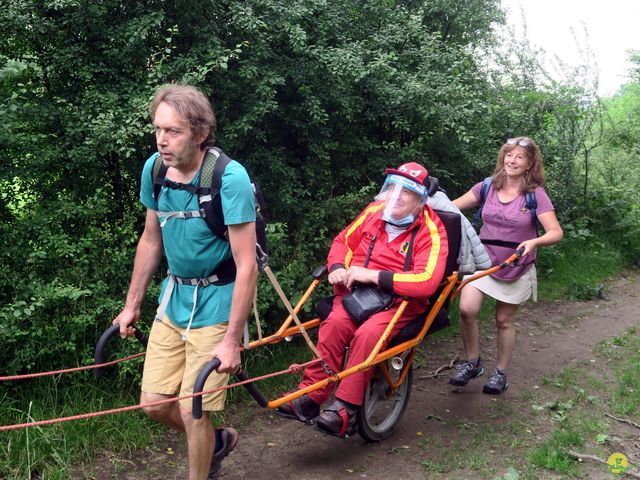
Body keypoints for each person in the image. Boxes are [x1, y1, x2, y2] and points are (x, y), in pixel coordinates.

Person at [112, 84, 258, 479]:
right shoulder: (154, 170)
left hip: (217, 303)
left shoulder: (229, 179)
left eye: (173, 131)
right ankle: (218, 441)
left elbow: (247, 265)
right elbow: (150, 238)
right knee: (154, 402)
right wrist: (132, 305)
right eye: (158, 129)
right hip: (174, 300)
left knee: (193, 408)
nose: (162, 140)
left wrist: (231, 340)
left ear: (200, 132)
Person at [277, 162, 449, 437]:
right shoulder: (374, 212)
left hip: (399, 302)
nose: (396, 196)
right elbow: (343, 242)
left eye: (407, 191)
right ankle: (310, 397)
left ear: (420, 200)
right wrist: (337, 268)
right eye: (393, 187)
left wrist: (372, 276)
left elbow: (426, 282)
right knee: (333, 325)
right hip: (356, 295)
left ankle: (345, 410)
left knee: (367, 335)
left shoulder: (432, 231)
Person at [449, 137, 563, 394]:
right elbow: (451, 208)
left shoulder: (536, 196)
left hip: (516, 265)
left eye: (519, 157)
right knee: (467, 310)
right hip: (482, 260)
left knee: (503, 320)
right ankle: (472, 362)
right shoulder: (487, 187)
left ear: (530, 164)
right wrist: (422, 205)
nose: (512, 161)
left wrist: (534, 242)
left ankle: (500, 373)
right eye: (509, 155)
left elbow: (555, 232)